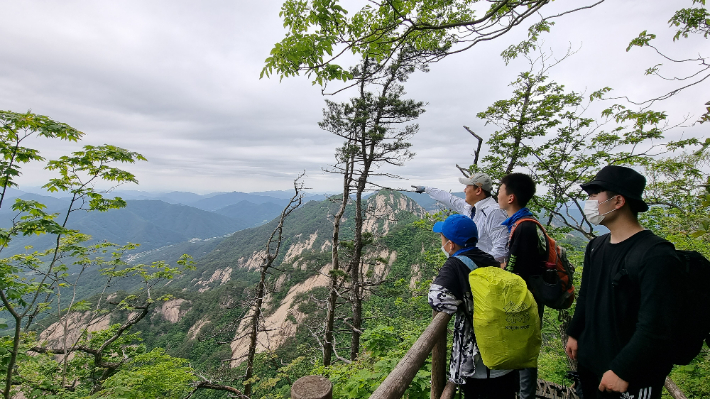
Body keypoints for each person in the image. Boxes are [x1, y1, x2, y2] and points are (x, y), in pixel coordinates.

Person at [565, 165, 682, 399]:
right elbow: (587, 295)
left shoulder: (656, 254)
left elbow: (656, 325)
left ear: (618, 201)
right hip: (591, 366)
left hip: (630, 376)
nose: (590, 201)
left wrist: (623, 369)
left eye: (594, 194)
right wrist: (575, 333)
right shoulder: (596, 246)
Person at [428, 214, 518, 398]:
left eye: (443, 238)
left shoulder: (454, 265)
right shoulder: (488, 259)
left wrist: (461, 299)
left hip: (479, 366)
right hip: (506, 354)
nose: (442, 242)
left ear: (451, 244)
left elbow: (437, 299)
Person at [497, 173, 546, 399]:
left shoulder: (524, 227)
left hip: (525, 301)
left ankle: (525, 396)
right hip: (526, 298)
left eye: (500, 190)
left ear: (511, 197)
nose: (497, 194)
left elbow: (516, 269)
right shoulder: (521, 223)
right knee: (521, 349)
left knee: (525, 351)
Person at [412, 173, 508, 263]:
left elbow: (501, 248)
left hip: (485, 270)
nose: (464, 190)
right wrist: (427, 189)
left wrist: (480, 265)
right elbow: (449, 198)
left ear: (478, 190)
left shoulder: (494, 212)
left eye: (467, 187)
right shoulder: (470, 207)